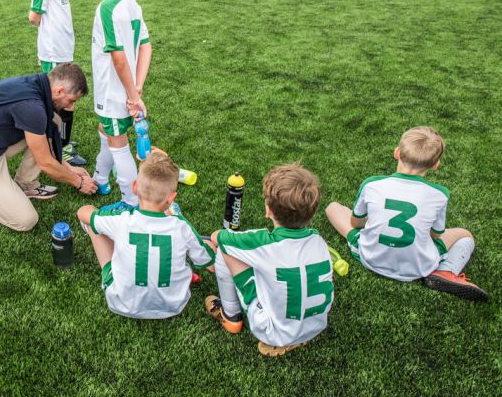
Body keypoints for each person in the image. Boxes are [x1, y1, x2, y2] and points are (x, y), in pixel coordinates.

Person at [326, 127, 487, 302]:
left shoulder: (372, 184)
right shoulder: (440, 194)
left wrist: (375, 220)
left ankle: (442, 269)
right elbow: (435, 235)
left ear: (397, 153)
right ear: (435, 165)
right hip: (419, 266)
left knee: (333, 208)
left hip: (371, 258)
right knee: (465, 235)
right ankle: (446, 270)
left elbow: (356, 223)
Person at [0, 63, 98, 232]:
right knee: (26, 220)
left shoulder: (37, 84)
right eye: (71, 101)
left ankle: (26, 184)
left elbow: (45, 140)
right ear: (59, 91)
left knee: (53, 121)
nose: (71, 107)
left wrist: (69, 168)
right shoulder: (32, 106)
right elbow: (45, 163)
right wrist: (78, 182)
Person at [206, 164, 333, 357]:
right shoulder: (319, 242)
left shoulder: (262, 241)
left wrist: (216, 240)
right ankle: (300, 334)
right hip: (316, 326)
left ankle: (230, 315)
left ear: (268, 210)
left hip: (273, 331)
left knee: (226, 251)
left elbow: (218, 237)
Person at [76, 152, 215, 319]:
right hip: (173, 305)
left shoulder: (122, 219)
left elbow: (82, 212)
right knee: (204, 244)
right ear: (172, 197)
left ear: (134, 187)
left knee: (94, 225)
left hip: (122, 303)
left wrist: (103, 215)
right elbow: (209, 262)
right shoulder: (181, 226)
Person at [83, 0, 152, 211]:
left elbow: (119, 58)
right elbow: (146, 46)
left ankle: (131, 201)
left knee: (118, 143)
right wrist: (137, 88)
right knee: (106, 131)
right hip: (126, 90)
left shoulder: (107, 7)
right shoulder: (132, 2)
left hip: (113, 94)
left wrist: (132, 97)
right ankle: (101, 178)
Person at [28, 0, 86, 166]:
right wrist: (50, 40)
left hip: (63, 50)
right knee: (58, 101)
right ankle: (57, 150)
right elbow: (34, 15)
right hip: (54, 51)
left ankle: (63, 144)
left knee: (68, 100)